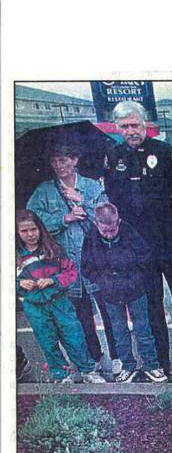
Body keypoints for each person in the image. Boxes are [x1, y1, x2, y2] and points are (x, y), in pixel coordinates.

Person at [105, 100, 172, 378]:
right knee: (151, 306)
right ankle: (161, 361)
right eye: (124, 126)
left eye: (135, 125)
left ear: (145, 124)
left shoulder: (166, 153)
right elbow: (112, 200)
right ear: (118, 128)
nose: (131, 131)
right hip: (138, 247)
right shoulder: (113, 157)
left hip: (170, 240)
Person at [27, 140, 119, 373]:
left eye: (64, 159)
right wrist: (63, 219)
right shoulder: (44, 191)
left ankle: (118, 358)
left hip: (96, 261)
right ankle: (94, 358)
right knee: (80, 315)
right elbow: (31, 223)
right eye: (55, 160)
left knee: (109, 311)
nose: (59, 165)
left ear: (75, 160)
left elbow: (107, 217)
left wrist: (83, 203)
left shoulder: (91, 187)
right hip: (64, 265)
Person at [81, 203, 168, 383]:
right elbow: (86, 266)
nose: (109, 234)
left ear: (118, 222)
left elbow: (145, 258)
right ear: (97, 224)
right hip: (110, 293)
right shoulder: (91, 237)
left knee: (143, 328)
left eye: (112, 230)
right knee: (118, 331)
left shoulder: (129, 232)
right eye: (104, 231)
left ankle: (151, 365)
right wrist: (103, 281)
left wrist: (134, 278)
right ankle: (127, 366)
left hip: (135, 289)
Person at [15, 210, 104, 384]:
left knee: (74, 335)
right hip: (34, 306)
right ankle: (61, 375)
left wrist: (52, 280)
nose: (30, 234)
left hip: (60, 301)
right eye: (24, 231)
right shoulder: (14, 255)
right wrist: (18, 283)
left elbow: (71, 272)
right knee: (47, 340)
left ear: (40, 228)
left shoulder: (53, 249)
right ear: (16, 232)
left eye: (33, 229)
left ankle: (87, 371)